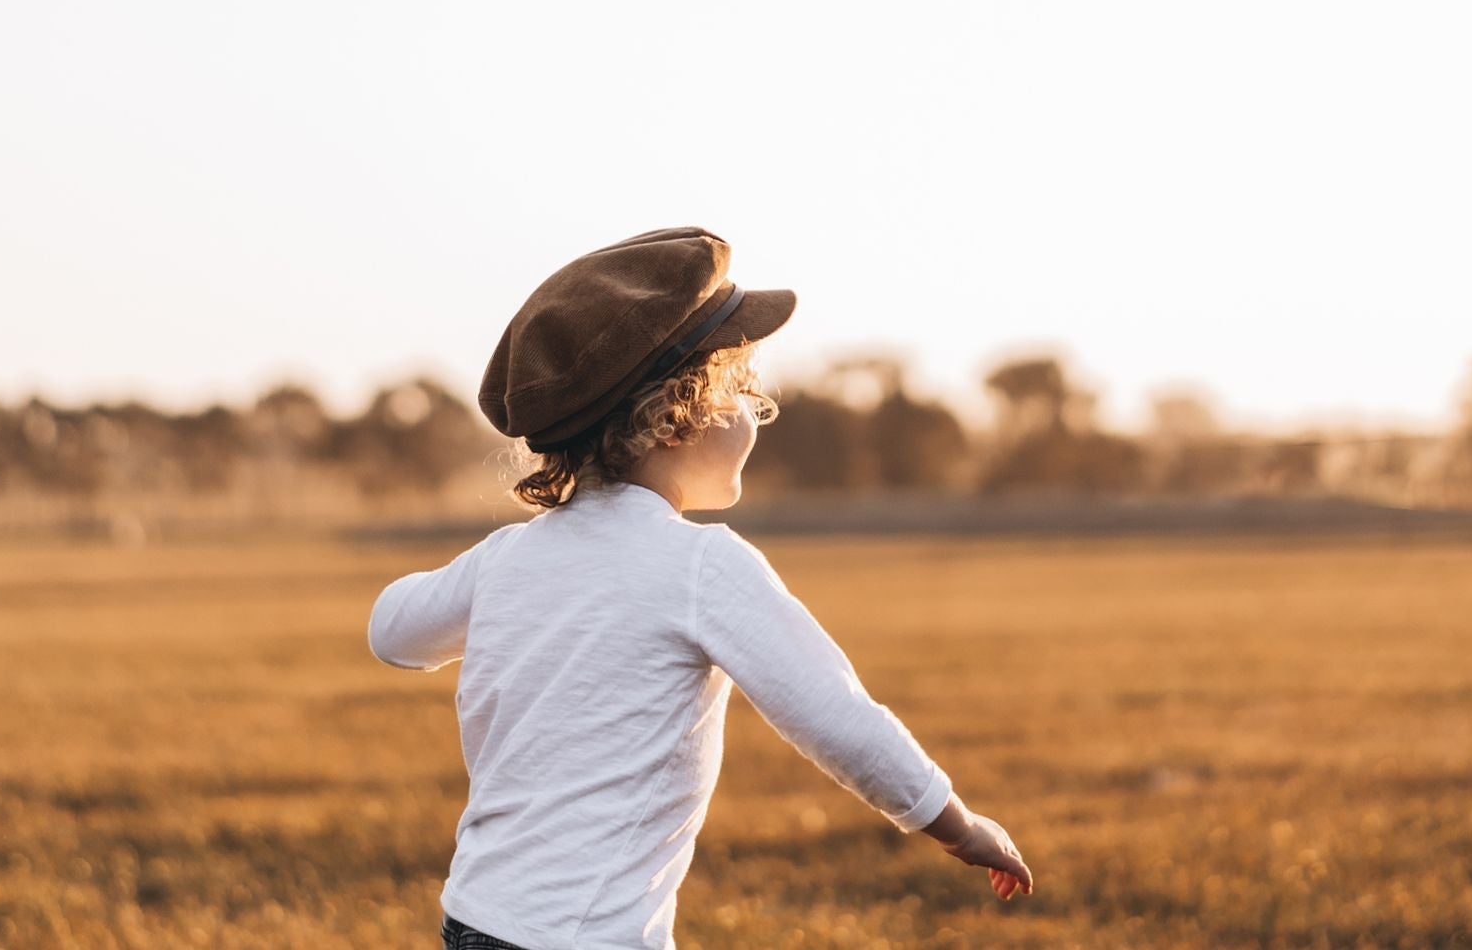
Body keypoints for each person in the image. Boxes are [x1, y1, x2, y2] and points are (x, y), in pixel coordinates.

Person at [368, 228, 1032, 950]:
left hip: (474, 919)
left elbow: (393, 632)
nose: (758, 411)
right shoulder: (700, 566)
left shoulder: (505, 559)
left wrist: (499, 582)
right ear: (677, 417)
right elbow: (836, 715)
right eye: (744, 390)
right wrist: (956, 824)